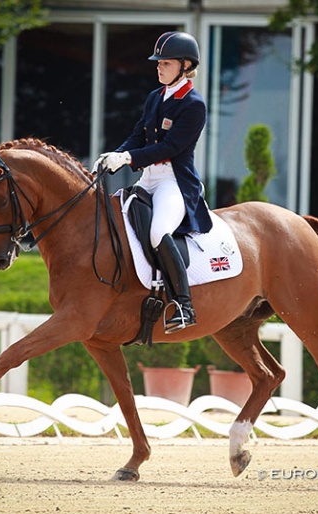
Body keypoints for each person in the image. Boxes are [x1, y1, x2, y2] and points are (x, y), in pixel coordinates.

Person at [94, 31, 213, 333]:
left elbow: (170, 148)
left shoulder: (193, 105)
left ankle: (184, 305)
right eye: (158, 62)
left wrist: (129, 159)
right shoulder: (155, 98)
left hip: (174, 182)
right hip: (148, 179)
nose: (159, 67)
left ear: (186, 66)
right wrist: (116, 154)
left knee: (159, 231)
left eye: (166, 62)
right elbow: (138, 135)